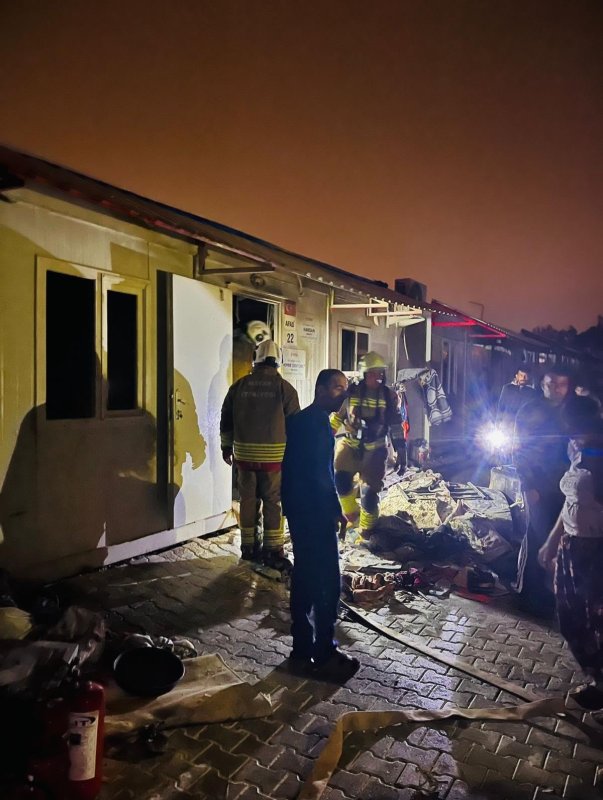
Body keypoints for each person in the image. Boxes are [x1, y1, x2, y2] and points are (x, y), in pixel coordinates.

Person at [281, 368, 360, 681]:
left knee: (303, 576)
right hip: (313, 513)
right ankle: (324, 653)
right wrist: (333, 509)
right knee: (327, 581)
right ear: (321, 390)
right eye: (337, 388)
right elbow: (319, 474)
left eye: (345, 387)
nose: (343, 394)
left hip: (299, 511)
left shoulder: (301, 421)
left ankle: (301, 649)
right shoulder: (316, 426)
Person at [538, 396, 603, 709]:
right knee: (570, 618)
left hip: (596, 551)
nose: (572, 435)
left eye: (576, 429)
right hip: (572, 546)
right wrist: (552, 542)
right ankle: (597, 679)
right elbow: (570, 502)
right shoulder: (576, 450)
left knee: (598, 621)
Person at [220, 340, 300, 567]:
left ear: (255, 360)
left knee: (247, 500)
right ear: (278, 361)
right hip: (274, 460)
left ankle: (248, 547)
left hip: (244, 458)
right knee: (273, 502)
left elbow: (226, 419)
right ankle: (272, 550)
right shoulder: (285, 388)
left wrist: (226, 447)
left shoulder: (238, 386)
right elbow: (295, 426)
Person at [512, 366, 574, 616]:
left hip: (565, 487)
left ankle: (551, 596)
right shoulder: (530, 411)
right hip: (538, 486)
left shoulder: (571, 412)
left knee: (559, 540)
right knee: (536, 537)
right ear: (542, 384)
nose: (556, 389)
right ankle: (527, 595)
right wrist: (528, 485)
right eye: (551, 384)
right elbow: (519, 450)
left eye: (562, 384)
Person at [330, 352, 406, 537]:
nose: (377, 377)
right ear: (364, 374)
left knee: (369, 495)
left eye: (380, 373)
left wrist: (401, 452)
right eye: (372, 373)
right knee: (341, 481)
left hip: (376, 451)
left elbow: (396, 426)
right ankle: (352, 517)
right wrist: (323, 440)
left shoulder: (389, 396)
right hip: (350, 446)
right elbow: (337, 418)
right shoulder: (350, 394)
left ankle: (366, 532)